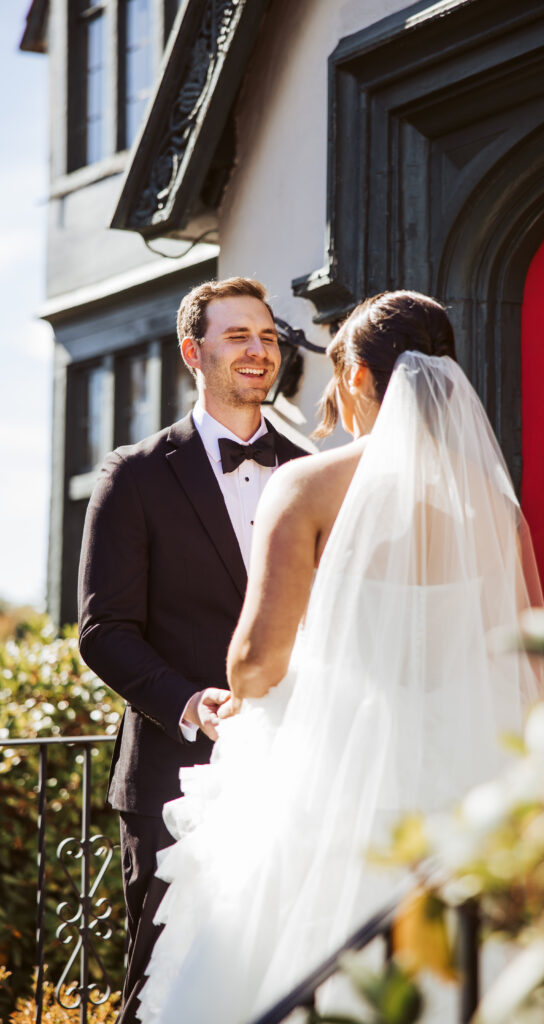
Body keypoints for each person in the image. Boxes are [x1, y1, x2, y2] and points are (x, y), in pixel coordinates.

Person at [137, 290, 544, 1024]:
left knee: (297, 964)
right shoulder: (493, 506)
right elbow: (520, 650)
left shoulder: (308, 484)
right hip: (462, 778)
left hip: (334, 784)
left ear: (358, 378)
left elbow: (255, 664)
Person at [77, 277, 307, 1024]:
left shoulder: (312, 470)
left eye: (268, 336)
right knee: (163, 991)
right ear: (192, 352)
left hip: (297, 773)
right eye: (237, 335)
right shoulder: (135, 474)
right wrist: (185, 701)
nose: (257, 349)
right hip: (173, 784)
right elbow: (103, 630)